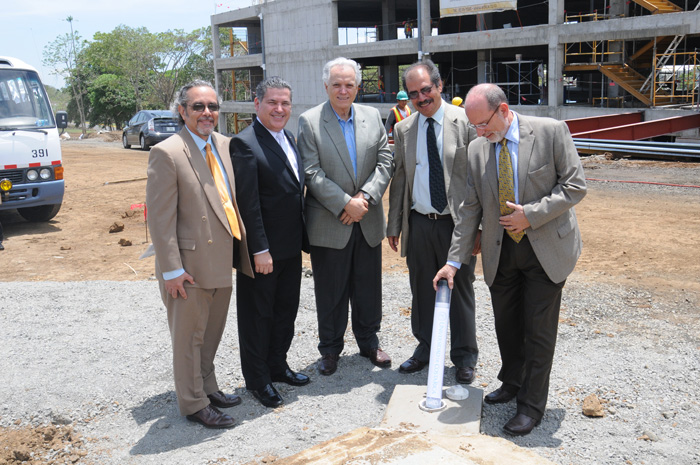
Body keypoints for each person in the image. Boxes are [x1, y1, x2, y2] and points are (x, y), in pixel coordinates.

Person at [434, 83, 587, 436]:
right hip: (501, 250)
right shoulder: (477, 149)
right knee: (507, 324)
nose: (480, 131)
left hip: (545, 247)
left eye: (483, 123)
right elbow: (470, 207)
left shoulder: (550, 132)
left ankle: (531, 406)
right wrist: (453, 261)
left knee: (537, 330)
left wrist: (530, 215)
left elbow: (575, 186)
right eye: (474, 126)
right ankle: (513, 380)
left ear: (503, 110)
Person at [146, 80, 253, 429]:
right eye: (198, 107)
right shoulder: (167, 153)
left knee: (210, 335)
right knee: (188, 339)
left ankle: (207, 387)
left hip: (221, 260)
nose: (207, 113)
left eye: (212, 106)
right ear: (182, 111)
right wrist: (171, 270)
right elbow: (160, 220)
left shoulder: (223, 145)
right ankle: (193, 403)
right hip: (188, 267)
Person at [297, 57, 394, 376]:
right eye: (336, 84)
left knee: (368, 287)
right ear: (326, 86)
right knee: (331, 289)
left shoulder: (372, 116)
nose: (343, 90)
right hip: (330, 221)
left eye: (349, 84)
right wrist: (344, 203)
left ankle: (369, 342)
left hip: (367, 218)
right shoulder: (310, 121)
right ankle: (330, 349)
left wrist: (364, 198)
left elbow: (385, 162)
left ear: (357, 87)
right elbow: (310, 170)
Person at [387, 60, 479, 385]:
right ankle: (425, 348)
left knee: (461, 288)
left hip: (457, 224)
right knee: (421, 290)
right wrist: (394, 225)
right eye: (414, 93)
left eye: (426, 89)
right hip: (419, 222)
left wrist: (477, 228)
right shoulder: (403, 130)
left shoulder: (465, 122)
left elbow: (476, 180)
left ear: (439, 85)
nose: (421, 98)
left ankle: (464, 356)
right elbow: (400, 180)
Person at [230, 76, 310, 408]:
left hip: (290, 247)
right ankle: (258, 379)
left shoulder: (288, 137)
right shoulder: (246, 143)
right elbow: (248, 204)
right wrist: (259, 249)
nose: (279, 109)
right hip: (264, 253)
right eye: (272, 102)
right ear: (257, 104)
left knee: (284, 312)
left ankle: (278, 365)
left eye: (285, 103)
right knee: (257, 316)